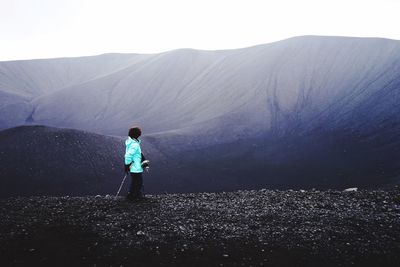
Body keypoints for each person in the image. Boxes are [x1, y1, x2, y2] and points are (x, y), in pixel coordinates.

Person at [124, 126, 147, 201]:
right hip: (135, 166)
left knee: (135, 181)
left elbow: (138, 154)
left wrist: (127, 165)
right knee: (138, 182)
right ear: (136, 134)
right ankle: (135, 196)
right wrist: (127, 165)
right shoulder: (135, 144)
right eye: (139, 133)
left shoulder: (132, 143)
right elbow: (128, 155)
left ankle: (132, 195)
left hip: (134, 165)